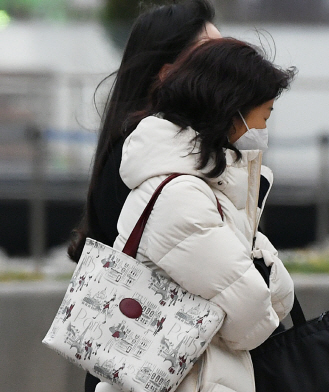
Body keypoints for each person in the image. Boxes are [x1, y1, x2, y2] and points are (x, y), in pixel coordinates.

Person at [95, 37, 296, 392]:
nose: (265, 128)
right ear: (232, 110)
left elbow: (267, 295)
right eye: (264, 115)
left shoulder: (205, 188)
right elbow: (251, 318)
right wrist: (263, 283)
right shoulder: (182, 197)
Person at [66, 1, 221, 391]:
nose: (228, 64)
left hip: (130, 359)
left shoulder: (137, 146)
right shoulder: (150, 157)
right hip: (147, 367)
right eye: (211, 54)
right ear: (168, 73)